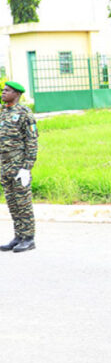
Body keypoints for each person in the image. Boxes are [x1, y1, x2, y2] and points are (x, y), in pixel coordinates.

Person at [0, 81, 38, 253]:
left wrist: (27, 167)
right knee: (12, 203)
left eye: (7, 90)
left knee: (23, 203)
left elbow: (32, 141)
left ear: (16, 94)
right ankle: (18, 236)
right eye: (3, 90)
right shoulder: (3, 112)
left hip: (19, 165)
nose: (3, 92)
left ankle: (29, 238)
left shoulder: (24, 113)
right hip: (5, 165)